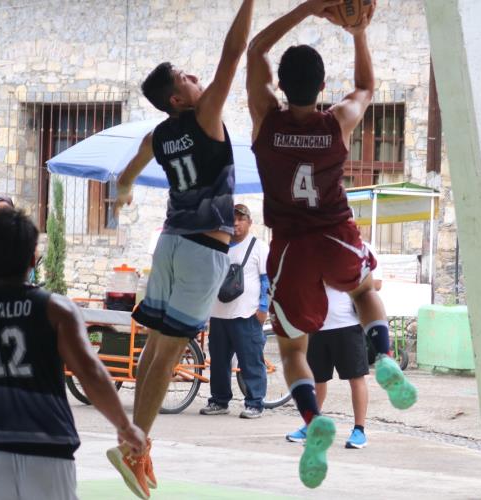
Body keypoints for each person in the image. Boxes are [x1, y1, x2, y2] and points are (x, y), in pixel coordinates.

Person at [246, 0, 415, 489]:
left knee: (293, 348)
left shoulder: (266, 121)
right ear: (322, 88)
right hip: (336, 233)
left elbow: (256, 48)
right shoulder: (336, 120)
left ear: (281, 85)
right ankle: (383, 356)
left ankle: (312, 415)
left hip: (291, 247)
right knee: (363, 293)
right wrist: (357, 30)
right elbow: (366, 87)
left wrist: (308, 8)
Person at [110, 1, 255, 497]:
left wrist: (123, 193)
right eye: (186, 76)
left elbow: (128, 171)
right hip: (201, 251)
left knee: (155, 348)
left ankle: (134, 441)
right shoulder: (204, 115)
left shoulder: (160, 135)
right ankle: (134, 445)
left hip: (170, 243)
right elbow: (233, 54)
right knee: (167, 352)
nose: (197, 77)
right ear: (177, 97)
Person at [0, 208, 146, 500]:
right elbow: (90, 372)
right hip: (48, 456)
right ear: (31, 260)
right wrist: (124, 426)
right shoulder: (57, 310)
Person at [286, 244, 383, 449]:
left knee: (356, 378)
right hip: (317, 324)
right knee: (317, 380)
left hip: (348, 325)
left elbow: (377, 283)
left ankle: (359, 430)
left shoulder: (363, 250)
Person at [201, 203, 270, 419]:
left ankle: (255, 403)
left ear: (249, 222)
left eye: (241, 219)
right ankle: (219, 400)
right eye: (233, 219)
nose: (236, 223)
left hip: (247, 314)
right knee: (219, 362)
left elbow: (266, 279)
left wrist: (263, 307)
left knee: (251, 360)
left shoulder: (259, 247)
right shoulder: (218, 246)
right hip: (219, 314)